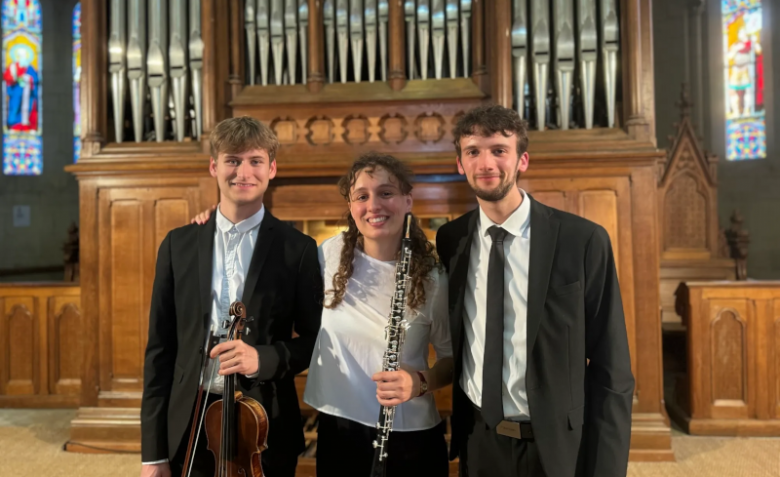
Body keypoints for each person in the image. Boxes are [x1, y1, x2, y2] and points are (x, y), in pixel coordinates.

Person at [193, 152, 454, 477]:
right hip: (339, 431)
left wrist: (419, 382)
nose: (374, 205)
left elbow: (451, 360)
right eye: (362, 196)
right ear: (350, 206)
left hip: (410, 435)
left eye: (386, 193)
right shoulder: (327, 255)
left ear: (407, 200)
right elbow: (263, 255)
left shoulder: (433, 277)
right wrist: (221, 221)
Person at [435, 105, 634, 477]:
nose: (485, 163)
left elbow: (613, 370)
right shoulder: (451, 240)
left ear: (522, 160)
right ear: (460, 163)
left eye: (499, 150)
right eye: (473, 151)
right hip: (479, 439)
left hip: (555, 444)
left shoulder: (583, 240)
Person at [140, 116, 323, 477]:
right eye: (232, 160)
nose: (244, 171)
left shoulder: (297, 249)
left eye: (255, 161)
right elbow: (159, 351)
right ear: (214, 167)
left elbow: (315, 341)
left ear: (272, 168)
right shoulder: (178, 244)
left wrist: (262, 358)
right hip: (189, 420)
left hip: (264, 422)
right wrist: (152, 453)